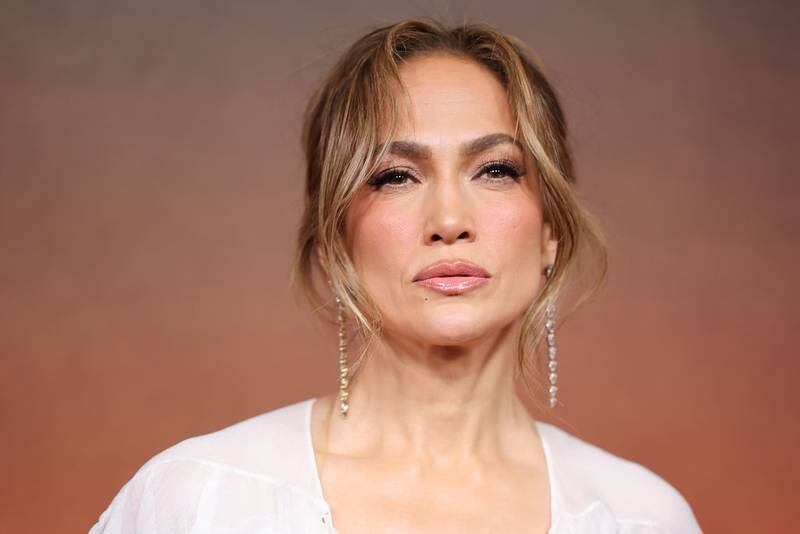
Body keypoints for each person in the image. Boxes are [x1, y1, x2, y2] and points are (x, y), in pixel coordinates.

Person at [89, 18, 703, 534]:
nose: (449, 219)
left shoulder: (641, 519)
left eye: (494, 170)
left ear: (551, 231)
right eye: (395, 176)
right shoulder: (200, 501)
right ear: (333, 242)